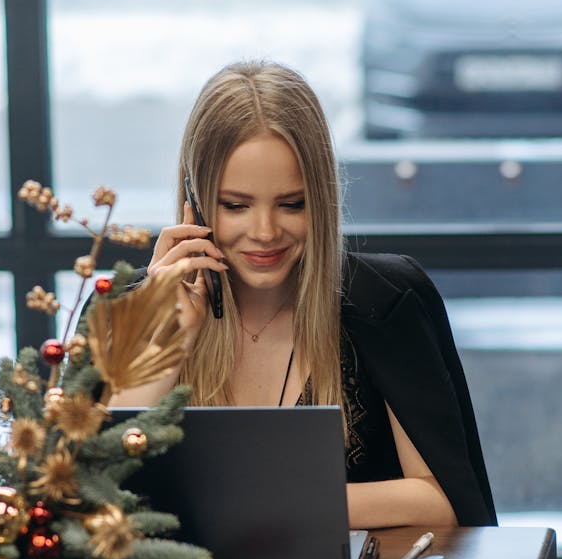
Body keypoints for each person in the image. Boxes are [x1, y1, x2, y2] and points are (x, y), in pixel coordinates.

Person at [110, 60, 496, 528]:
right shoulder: (122, 310)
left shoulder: (386, 303)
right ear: (194, 201)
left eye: (292, 204)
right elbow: (87, 491)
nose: (265, 231)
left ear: (322, 197)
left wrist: (264, 502)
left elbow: (442, 503)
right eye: (236, 206)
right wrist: (164, 347)